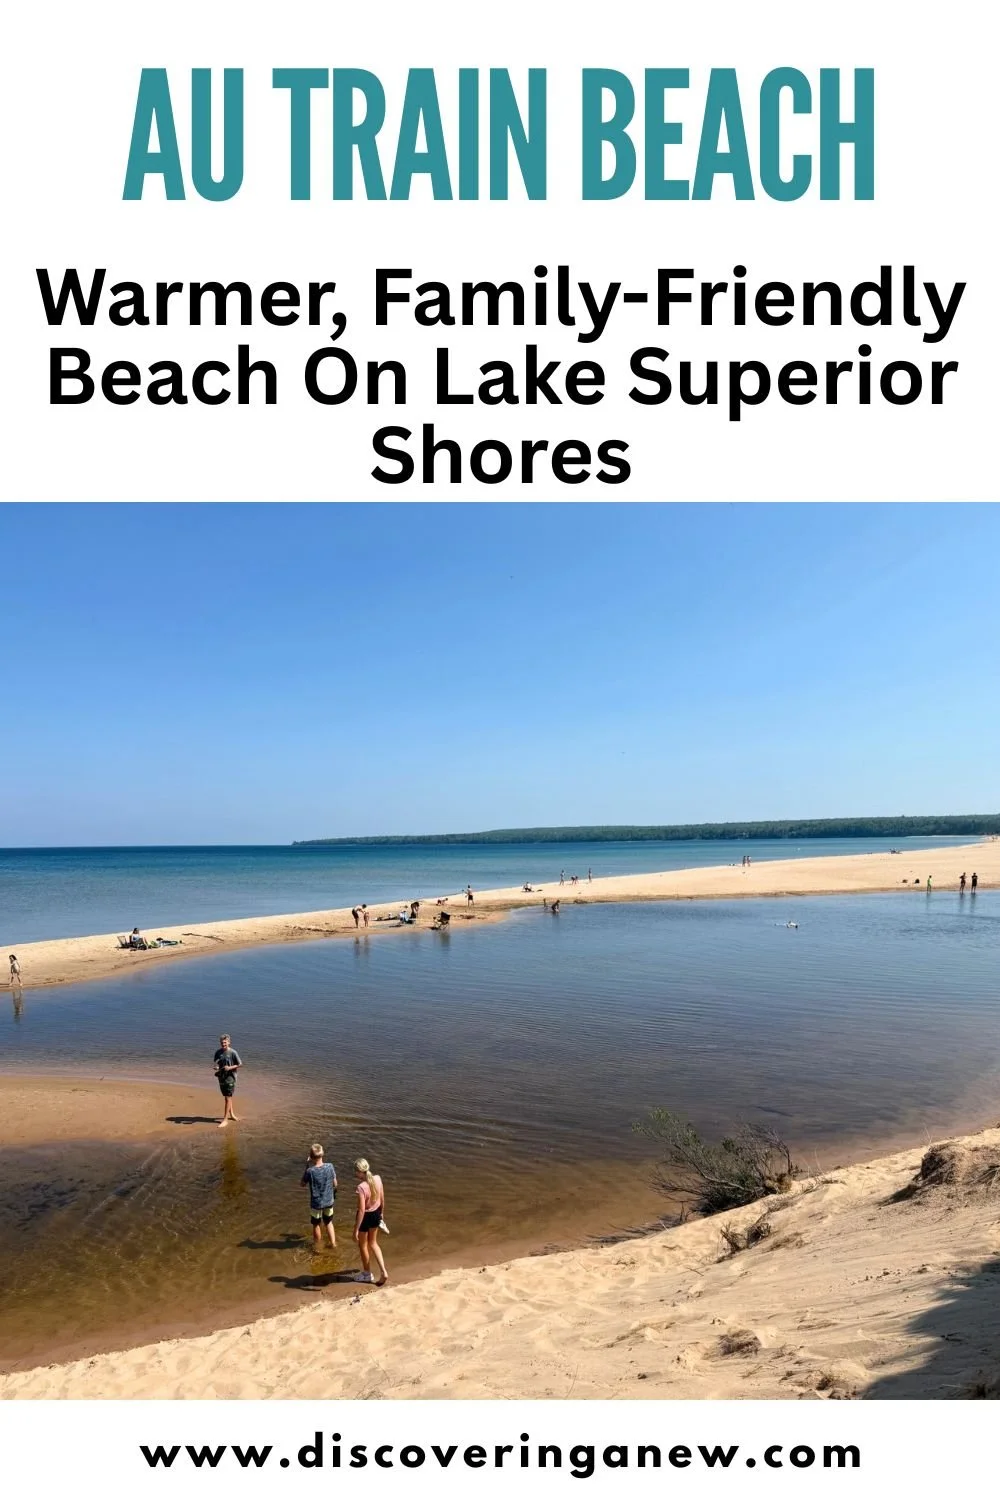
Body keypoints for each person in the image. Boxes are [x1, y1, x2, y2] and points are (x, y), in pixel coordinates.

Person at [353, 1157, 388, 1285]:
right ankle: (384, 1271)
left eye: (356, 1171)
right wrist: (381, 1214)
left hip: (366, 1217)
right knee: (373, 1243)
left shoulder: (361, 1187)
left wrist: (356, 1229)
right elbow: (382, 1198)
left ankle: (367, 1274)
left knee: (362, 1245)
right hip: (376, 1213)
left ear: (360, 1172)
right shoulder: (378, 1179)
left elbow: (361, 1210)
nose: (355, 1174)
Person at [301, 1143, 337, 1251]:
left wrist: (307, 1166)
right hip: (329, 1201)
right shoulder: (330, 1166)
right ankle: (333, 1244)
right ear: (322, 1154)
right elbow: (335, 1183)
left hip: (316, 1203)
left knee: (316, 1225)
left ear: (311, 1157)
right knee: (329, 1222)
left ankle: (318, 1248)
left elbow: (302, 1184)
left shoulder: (310, 1171)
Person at [213, 1033, 242, 1126]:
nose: (223, 1044)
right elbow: (216, 1063)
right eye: (222, 1042)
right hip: (221, 1078)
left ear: (229, 1042)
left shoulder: (233, 1052)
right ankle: (232, 1115)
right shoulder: (218, 1052)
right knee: (227, 1096)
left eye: (225, 1042)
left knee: (228, 1097)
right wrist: (217, 1067)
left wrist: (230, 1068)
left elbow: (240, 1064)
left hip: (231, 1077)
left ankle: (225, 1120)